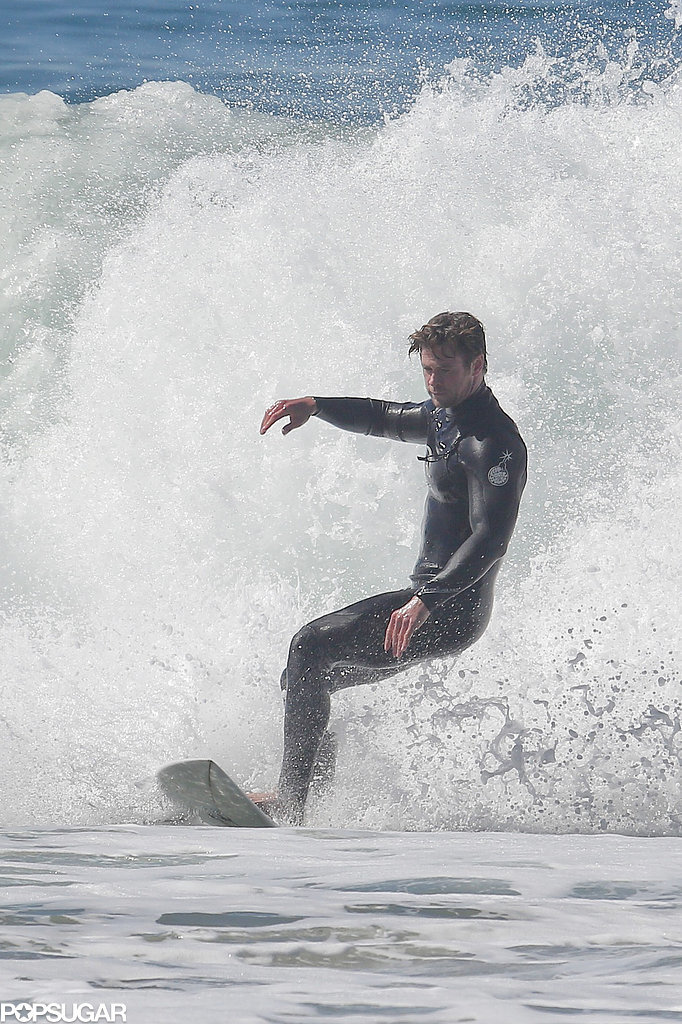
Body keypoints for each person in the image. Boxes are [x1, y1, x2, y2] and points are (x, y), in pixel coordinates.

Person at [258, 312, 527, 823]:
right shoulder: (444, 417)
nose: (433, 381)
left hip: (450, 609)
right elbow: (383, 416)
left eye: (445, 370)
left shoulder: (495, 444)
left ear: (479, 367)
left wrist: (427, 600)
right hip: (425, 601)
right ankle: (314, 791)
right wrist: (315, 407)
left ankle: (290, 803)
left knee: (309, 646)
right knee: (304, 676)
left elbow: (491, 539)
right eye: (427, 369)